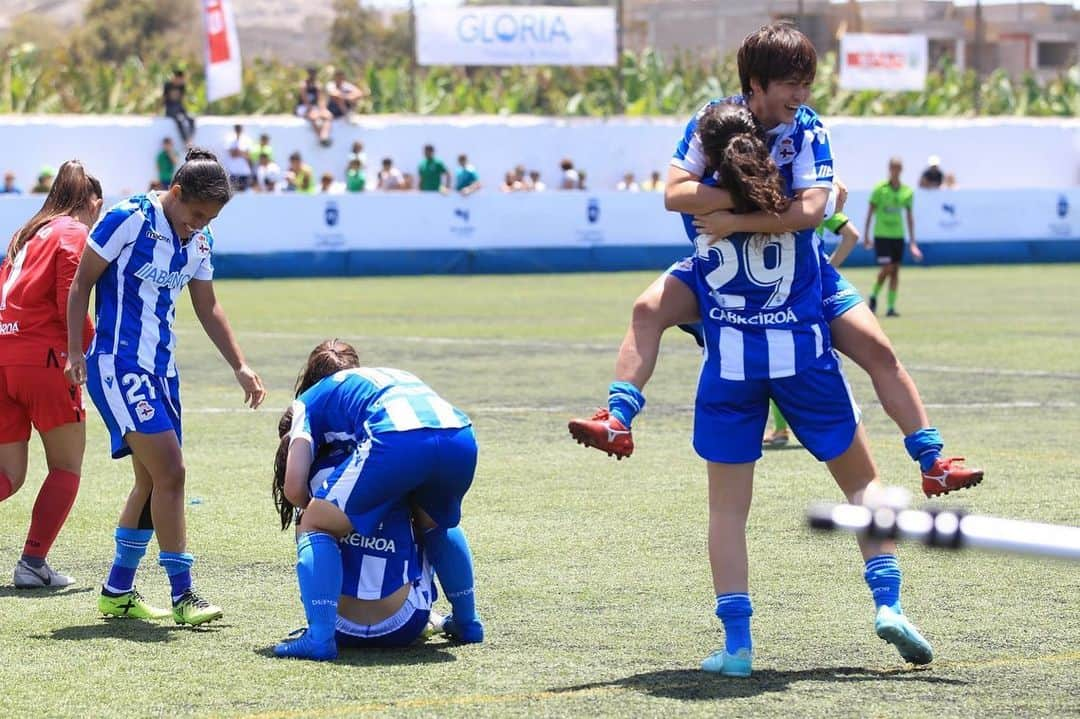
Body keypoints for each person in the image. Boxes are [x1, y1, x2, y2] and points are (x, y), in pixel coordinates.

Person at [569, 23, 982, 499]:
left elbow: (810, 212)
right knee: (647, 309)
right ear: (756, 84)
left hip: (803, 276)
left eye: (806, 83)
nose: (801, 94)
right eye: (791, 83)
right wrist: (756, 198)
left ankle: (932, 460)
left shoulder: (807, 127)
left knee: (879, 351)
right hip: (723, 274)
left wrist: (738, 214)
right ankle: (619, 418)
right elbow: (674, 194)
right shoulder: (715, 121)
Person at [668, 102, 933, 676]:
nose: (800, 95)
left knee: (727, 511)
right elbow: (819, 211)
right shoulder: (799, 168)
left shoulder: (705, 187)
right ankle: (889, 601)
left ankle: (737, 647)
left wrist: (728, 208)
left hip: (733, 356)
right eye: (792, 84)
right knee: (864, 481)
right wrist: (796, 205)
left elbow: (675, 196)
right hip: (801, 338)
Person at [64, 147, 267, 625]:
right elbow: (80, 284)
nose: (199, 224)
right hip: (119, 366)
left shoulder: (199, 239)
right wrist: (76, 352)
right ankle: (183, 595)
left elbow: (207, 305)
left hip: (162, 372)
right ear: (175, 193)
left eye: (209, 218)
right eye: (196, 214)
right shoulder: (128, 218)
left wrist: (239, 364)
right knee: (172, 474)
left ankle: (116, 590)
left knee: (151, 480)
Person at [271, 340, 483, 660]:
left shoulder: (307, 402)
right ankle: (468, 623)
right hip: (459, 431)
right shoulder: (376, 380)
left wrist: (323, 507)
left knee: (314, 521)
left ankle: (319, 637)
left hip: (397, 436)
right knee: (436, 521)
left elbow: (294, 488)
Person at [0, 161, 102, 588]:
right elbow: (70, 298)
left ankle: (33, 564)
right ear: (93, 203)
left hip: (3, 355)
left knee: (9, 476)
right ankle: (32, 564)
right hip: (44, 360)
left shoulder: (25, 234)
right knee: (66, 467)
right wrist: (89, 345)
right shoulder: (75, 232)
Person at [273, 411, 440, 653]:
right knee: (432, 522)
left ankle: (320, 625)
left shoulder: (309, 473)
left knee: (309, 526)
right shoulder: (390, 457)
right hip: (406, 623)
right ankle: (465, 618)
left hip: (340, 629)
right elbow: (433, 524)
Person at [763, 184, 861, 449]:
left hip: (788, 288)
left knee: (775, 356)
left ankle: (783, 428)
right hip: (813, 284)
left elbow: (852, 235)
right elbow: (851, 235)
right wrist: (829, 267)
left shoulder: (788, 206)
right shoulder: (816, 204)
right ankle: (828, 424)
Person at [864, 157, 921, 318]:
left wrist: (913, 242)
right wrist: (867, 235)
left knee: (895, 271)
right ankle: (874, 295)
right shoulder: (880, 189)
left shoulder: (906, 192)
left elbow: (910, 217)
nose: (896, 171)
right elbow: (870, 213)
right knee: (887, 268)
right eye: (893, 168)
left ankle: (890, 307)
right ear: (889, 169)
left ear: (901, 170)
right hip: (882, 235)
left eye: (898, 168)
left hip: (898, 236)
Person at [296, 68, 333, 147]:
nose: (313, 75)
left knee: (328, 115)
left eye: (314, 73)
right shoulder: (303, 85)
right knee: (314, 117)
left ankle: (324, 136)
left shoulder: (317, 85)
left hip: (315, 108)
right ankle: (320, 138)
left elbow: (320, 99)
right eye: (311, 73)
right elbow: (305, 100)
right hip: (303, 107)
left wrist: (322, 110)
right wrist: (312, 110)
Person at [163, 68, 195, 144]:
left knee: (191, 119)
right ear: (176, 78)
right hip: (170, 108)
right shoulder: (168, 85)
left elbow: (182, 99)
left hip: (179, 107)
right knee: (179, 120)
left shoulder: (182, 86)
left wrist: (185, 111)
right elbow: (163, 99)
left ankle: (190, 138)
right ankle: (186, 140)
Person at [224, 125, 255, 192]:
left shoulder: (247, 140)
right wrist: (242, 153)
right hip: (232, 172)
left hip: (244, 172)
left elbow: (249, 155)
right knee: (232, 193)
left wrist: (238, 152)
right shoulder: (230, 139)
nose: (238, 130)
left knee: (243, 193)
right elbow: (232, 154)